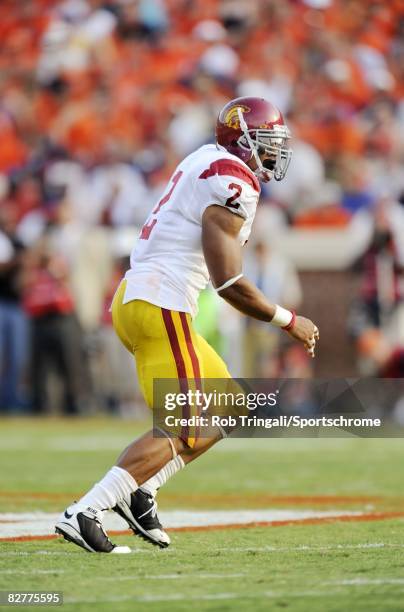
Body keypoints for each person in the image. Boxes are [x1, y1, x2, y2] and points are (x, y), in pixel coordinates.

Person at [55, 96, 319, 553]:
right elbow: (230, 282)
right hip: (161, 303)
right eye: (267, 143)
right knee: (183, 425)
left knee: (232, 406)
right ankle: (87, 510)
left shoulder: (206, 159)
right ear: (243, 139)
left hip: (145, 298)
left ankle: (142, 490)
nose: (275, 155)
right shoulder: (232, 180)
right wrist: (288, 320)